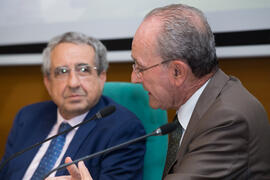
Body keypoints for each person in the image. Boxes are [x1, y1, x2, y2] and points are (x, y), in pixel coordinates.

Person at [50, 3, 270, 180]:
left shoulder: (228, 119)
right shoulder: (205, 101)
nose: (134, 79)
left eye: (140, 67)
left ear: (177, 72)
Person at [0, 32, 146, 180]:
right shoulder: (27, 117)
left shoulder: (123, 130)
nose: (73, 83)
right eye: (62, 71)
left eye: (84, 70)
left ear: (101, 77)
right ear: (48, 82)